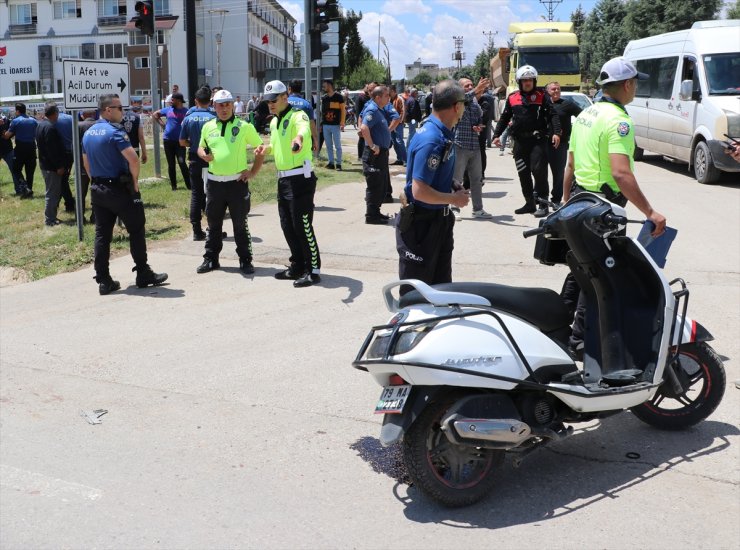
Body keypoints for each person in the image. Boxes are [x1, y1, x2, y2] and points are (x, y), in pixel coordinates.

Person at [563, 57, 666, 356]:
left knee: (579, 269)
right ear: (627, 84)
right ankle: (580, 342)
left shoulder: (586, 114)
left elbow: (569, 163)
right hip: (602, 210)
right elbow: (621, 173)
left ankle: (557, 327)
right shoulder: (619, 121)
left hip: (581, 203)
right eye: (635, 83)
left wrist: (565, 199)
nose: (635, 88)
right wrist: (650, 212)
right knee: (599, 275)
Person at [82, 93, 168, 295]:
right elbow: (134, 160)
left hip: (98, 190)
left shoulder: (88, 133)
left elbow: (86, 164)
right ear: (108, 110)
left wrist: (96, 180)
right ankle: (143, 273)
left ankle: (104, 279)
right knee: (136, 229)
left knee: (102, 234)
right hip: (121, 190)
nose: (123, 111)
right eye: (120, 108)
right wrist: (135, 181)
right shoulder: (115, 132)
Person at [396, 79, 470, 291]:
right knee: (417, 294)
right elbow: (419, 191)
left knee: (441, 290)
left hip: (438, 222)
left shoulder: (442, 132)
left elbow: (431, 174)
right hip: (421, 226)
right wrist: (454, 199)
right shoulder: (432, 138)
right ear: (457, 106)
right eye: (463, 103)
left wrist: (451, 183)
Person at [257, 80, 322, 288]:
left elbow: (302, 131)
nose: (271, 104)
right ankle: (297, 265)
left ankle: (313, 270)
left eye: (274, 100)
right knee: (287, 225)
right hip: (283, 179)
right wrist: (265, 150)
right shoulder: (275, 122)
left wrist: (299, 140)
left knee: (302, 225)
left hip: (300, 179)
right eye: (268, 102)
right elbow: (277, 146)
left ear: (285, 97)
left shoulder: (298, 115)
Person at [196, 89, 265, 275]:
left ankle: (245, 260)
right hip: (214, 184)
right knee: (213, 224)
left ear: (232, 106)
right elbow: (200, 147)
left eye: (228, 104)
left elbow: (261, 148)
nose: (224, 108)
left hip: (236, 184)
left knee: (240, 224)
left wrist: (252, 171)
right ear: (214, 106)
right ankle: (211, 259)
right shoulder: (208, 126)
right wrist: (203, 154)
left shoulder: (244, 126)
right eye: (220, 105)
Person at [493, 65, 561, 217]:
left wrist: (556, 132)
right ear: (519, 82)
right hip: (520, 143)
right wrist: (496, 135)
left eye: (530, 79)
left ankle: (543, 204)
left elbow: (553, 115)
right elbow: (505, 118)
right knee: (523, 173)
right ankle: (529, 203)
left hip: (537, 141)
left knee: (538, 172)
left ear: (534, 81)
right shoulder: (512, 98)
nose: (527, 82)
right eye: (524, 80)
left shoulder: (542, 96)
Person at [179, 85, 216, 241]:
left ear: (195, 101)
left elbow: (181, 141)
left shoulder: (188, 118)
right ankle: (214, 228)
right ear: (210, 101)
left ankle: (196, 230)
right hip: (211, 160)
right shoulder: (214, 117)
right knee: (213, 194)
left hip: (194, 158)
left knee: (196, 194)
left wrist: (193, 144)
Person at [453, 77, 491, 219]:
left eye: (471, 85)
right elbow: (463, 99)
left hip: (474, 145)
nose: (470, 87)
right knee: (456, 179)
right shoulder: (457, 98)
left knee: (477, 179)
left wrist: (478, 125)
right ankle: (453, 209)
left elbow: (479, 117)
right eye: (466, 85)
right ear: (460, 88)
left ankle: (478, 209)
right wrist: (476, 90)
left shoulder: (475, 100)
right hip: (460, 144)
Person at [359, 85, 393, 224]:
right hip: (374, 154)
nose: (388, 98)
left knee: (381, 184)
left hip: (381, 153)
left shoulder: (379, 109)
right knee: (374, 184)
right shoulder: (372, 109)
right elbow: (364, 127)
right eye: (386, 96)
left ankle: (376, 212)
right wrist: (372, 145)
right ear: (378, 97)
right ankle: (371, 216)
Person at [546, 81, 582, 206]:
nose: (556, 91)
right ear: (547, 91)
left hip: (560, 145)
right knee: (540, 172)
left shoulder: (567, 104)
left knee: (558, 174)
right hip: (542, 143)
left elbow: (583, 116)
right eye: (553, 89)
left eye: (558, 89)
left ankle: (556, 200)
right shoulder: (542, 105)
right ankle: (541, 200)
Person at [35, 103, 67, 227]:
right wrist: (59, 166)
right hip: (51, 166)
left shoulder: (40, 125)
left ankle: (52, 217)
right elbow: (52, 150)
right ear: (54, 113)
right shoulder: (50, 128)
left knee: (52, 192)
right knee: (52, 193)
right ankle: (50, 219)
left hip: (45, 164)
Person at [153, 92, 190, 190]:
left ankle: (189, 185)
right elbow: (155, 114)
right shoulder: (168, 110)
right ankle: (174, 186)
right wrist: (162, 125)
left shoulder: (186, 112)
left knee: (182, 163)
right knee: (171, 164)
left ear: (178, 101)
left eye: (172, 100)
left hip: (180, 141)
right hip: (168, 140)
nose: (171, 102)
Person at [3, 103, 37, 198]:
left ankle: (25, 187)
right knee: (30, 171)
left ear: (17, 111)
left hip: (21, 148)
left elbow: (7, 136)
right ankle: (29, 191)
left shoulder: (16, 121)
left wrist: (3, 130)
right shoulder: (33, 121)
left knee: (16, 169)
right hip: (31, 147)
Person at [287, 79, 319, 158]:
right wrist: (315, 140)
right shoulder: (306, 104)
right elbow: (312, 124)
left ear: (289, 89)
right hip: (303, 139)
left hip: (286, 138)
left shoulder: (284, 103)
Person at [52, 106, 76, 212]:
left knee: (61, 180)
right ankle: (63, 202)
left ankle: (69, 203)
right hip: (71, 152)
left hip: (60, 153)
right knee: (63, 179)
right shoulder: (71, 118)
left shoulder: (54, 121)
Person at [77, 109, 98, 222]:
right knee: (97, 191)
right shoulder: (100, 125)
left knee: (81, 193)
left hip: (81, 164)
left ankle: (79, 216)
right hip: (97, 164)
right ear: (94, 114)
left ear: (83, 115)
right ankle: (95, 216)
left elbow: (73, 146)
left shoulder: (78, 126)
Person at [320, 79, 345, 170]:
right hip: (326, 125)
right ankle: (331, 163)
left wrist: (342, 122)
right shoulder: (324, 98)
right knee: (328, 145)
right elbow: (322, 112)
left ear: (330, 86)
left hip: (335, 125)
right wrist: (321, 125)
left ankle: (338, 164)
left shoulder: (339, 97)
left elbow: (343, 110)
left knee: (337, 145)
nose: (323, 87)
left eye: (325, 86)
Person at [0, 113, 24, 195]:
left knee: (15, 169)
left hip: (7, 149)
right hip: (7, 148)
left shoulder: (6, 120)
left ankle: (20, 189)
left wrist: (3, 129)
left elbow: (12, 132)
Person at [389, 85, 407, 165]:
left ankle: (406, 160)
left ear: (393, 91)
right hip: (391, 123)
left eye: (389, 91)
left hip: (398, 124)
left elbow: (403, 111)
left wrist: (400, 122)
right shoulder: (389, 99)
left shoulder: (400, 99)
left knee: (399, 141)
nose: (388, 93)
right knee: (394, 141)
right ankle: (399, 159)